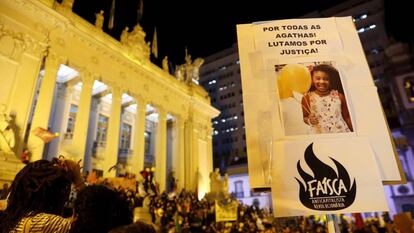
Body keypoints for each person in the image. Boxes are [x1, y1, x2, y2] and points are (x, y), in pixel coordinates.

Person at [0, 158, 83, 233]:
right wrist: (79, 181)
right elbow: (88, 221)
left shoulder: (11, 217)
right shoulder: (44, 223)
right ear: (54, 194)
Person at [301, 64, 353, 134]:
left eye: (326, 79)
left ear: (331, 80)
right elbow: (305, 117)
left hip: (340, 132)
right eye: (318, 78)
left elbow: (347, 117)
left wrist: (354, 132)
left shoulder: (339, 96)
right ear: (312, 79)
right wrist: (310, 120)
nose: (322, 81)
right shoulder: (307, 98)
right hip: (319, 133)